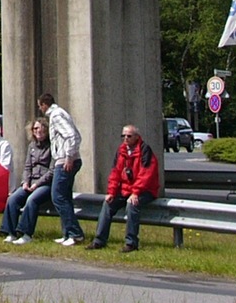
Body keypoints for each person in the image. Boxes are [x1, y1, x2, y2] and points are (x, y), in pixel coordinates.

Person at [86, 124, 160, 252]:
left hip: (145, 190)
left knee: (132, 205)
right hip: (127, 189)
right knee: (107, 204)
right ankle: (99, 240)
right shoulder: (121, 151)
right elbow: (115, 173)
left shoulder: (145, 150)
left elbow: (146, 174)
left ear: (136, 137)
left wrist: (136, 192)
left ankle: (131, 243)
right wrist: (111, 192)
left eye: (129, 136)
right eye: (123, 135)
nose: (125, 138)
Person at [37, 92, 84, 246]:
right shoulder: (59, 114)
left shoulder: (56, 115)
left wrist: (69, 157)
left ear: (44, 104)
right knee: (65, 197)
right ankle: (67, 233)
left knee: (57, 196)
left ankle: (75, 233)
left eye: (40, 106)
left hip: (65, 161)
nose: (40, 110)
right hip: (65, 159)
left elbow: (72, 136)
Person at [3, 118, 53, 244]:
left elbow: (51, 171)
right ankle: (10, 232)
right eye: (35, 128)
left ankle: (26, 233)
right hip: (30, 182)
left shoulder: (52, 146)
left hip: (45, 184)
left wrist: (37, 184)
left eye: (41, 128)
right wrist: (25, 182)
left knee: (32, 200)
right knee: (12, 199)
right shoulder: (31, 146)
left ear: (46, 130)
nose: (38, 131)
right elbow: (27, 167)